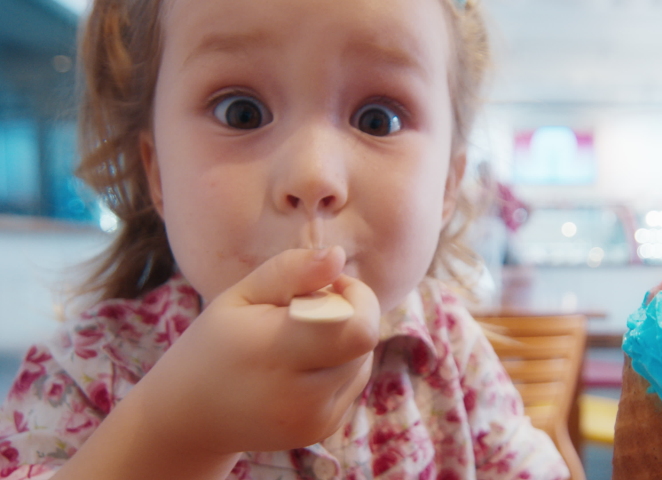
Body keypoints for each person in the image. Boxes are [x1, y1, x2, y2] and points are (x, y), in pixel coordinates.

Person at [0, 0, 570, 479]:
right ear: (156, 171)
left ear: (448, 183)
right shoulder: (85, 371)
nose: (313, 176)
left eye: (379, 120)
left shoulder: (450, 348)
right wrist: (176, 432)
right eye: (241, 112)